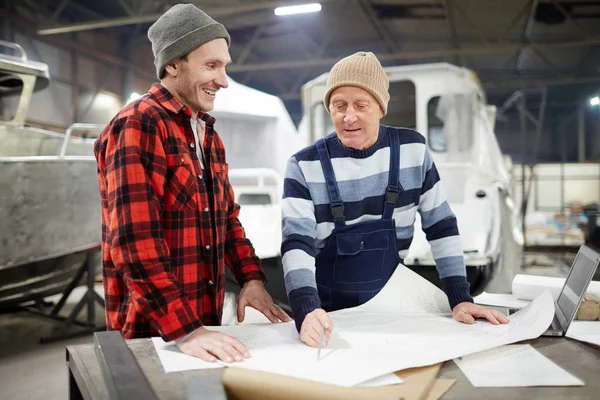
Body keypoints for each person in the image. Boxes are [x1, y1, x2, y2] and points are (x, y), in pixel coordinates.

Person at [94, 3, 291, 363]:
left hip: (203, 329)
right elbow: (135, 242)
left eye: (224, 66)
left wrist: (251, 278)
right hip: (154, 334)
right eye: (211, 66)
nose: (224, 80)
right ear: (172, 64)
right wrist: (185, 329)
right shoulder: (139, 124)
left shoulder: (207, 134)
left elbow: (227, 218)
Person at [281, 51, 508, 348]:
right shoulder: (304, 165)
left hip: (392, 311)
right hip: (328, 314)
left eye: (360, 105)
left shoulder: (413, 152)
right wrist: (306, 309)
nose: (348, 116)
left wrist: (460, 297)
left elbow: (441, 227)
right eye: (339, 106)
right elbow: (297, 242)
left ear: (380, 107)